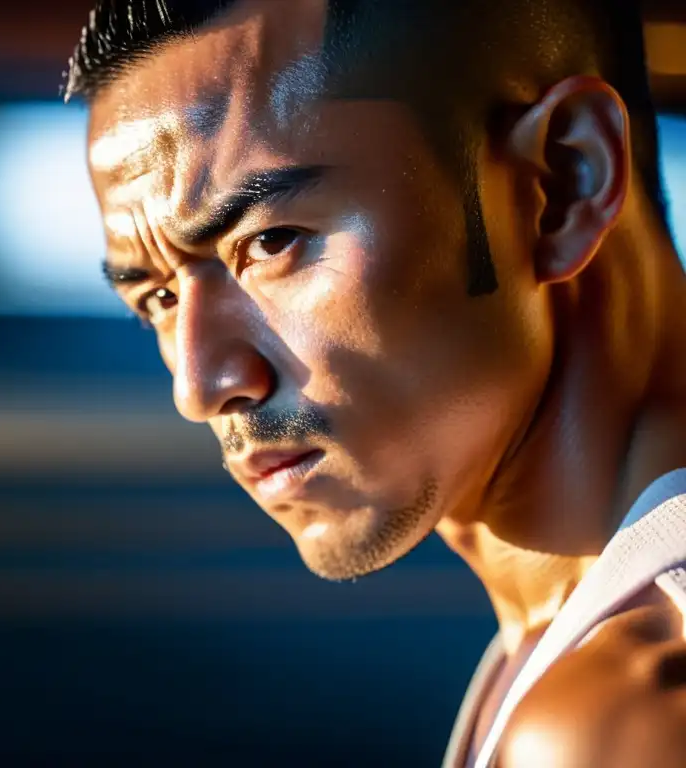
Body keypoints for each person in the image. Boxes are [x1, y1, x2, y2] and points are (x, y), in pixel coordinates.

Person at [62, 1, 686, 765]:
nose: (200, 385)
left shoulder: (625, 716)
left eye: (272, 241)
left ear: (560, 182)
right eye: (156, 298)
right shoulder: (577, 652)